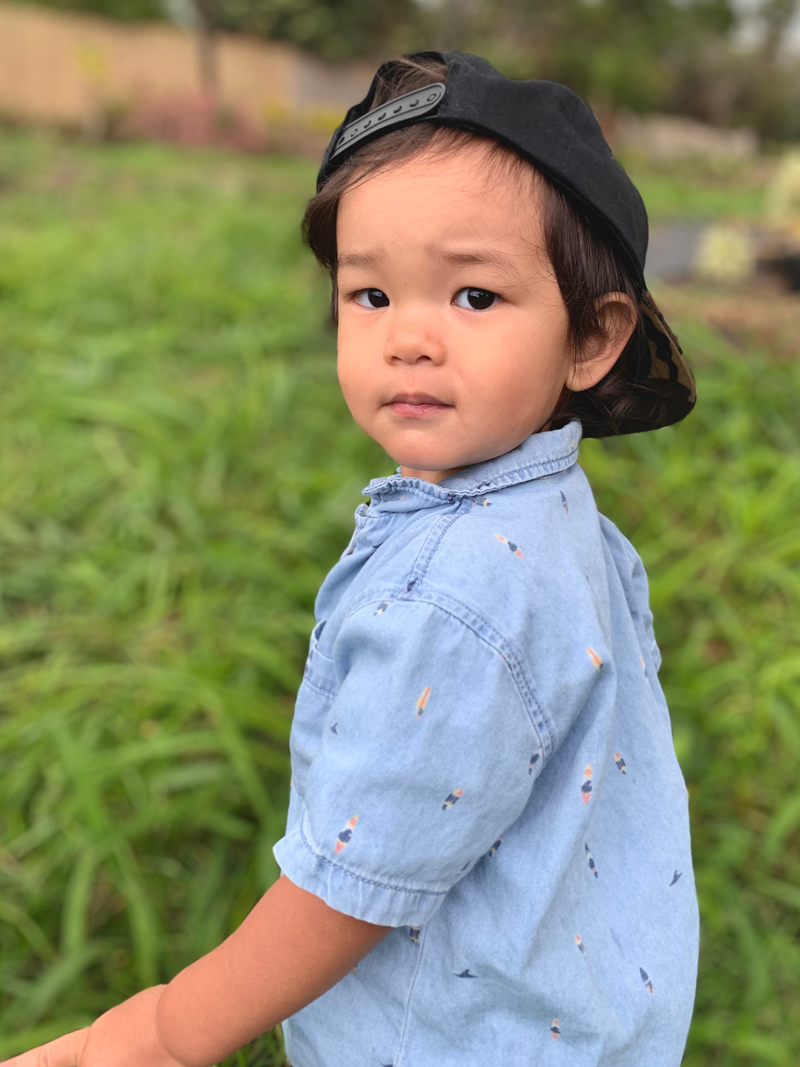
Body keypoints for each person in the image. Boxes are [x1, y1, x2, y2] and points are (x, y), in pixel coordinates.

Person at [0, 50, 700, 1067]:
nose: (408, 337)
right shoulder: (555, 516)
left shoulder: (456, 591)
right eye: (370, 295)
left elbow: (351, 882)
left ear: (590, 338)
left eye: (471, 296)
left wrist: (156, 1029)